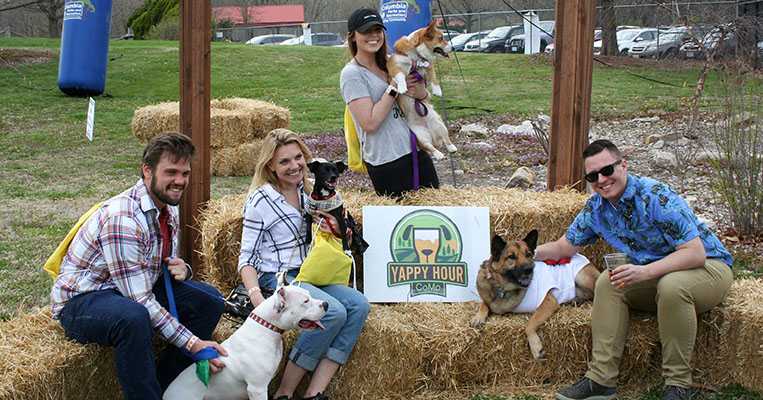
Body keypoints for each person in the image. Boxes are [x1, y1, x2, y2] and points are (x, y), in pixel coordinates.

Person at [535, 139, 733, 400]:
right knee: (608, 281)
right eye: (593, 176)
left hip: (709, 267)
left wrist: (646, 272)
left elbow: (694, 254)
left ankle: (677, 385)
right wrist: (523, 256)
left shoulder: (656, 196)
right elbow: (564, 247)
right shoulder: (597, 208)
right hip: (661, 274)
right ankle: (601, 380)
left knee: (672, 287)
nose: (602, 180)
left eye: (607, 170)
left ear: (623, 165)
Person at [50, 132, 227, 400]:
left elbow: (159, 266)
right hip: (85, 299)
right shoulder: (124, 219)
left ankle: (166, 387)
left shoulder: (167, 203)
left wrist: (185, 270)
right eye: (171, 172)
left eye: (185, 173)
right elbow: (140, 300)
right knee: (132, 318)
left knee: (211, 301)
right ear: (147, 170)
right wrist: (193, 344)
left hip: (128, 289)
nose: (180, 181)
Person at [238, 128, 370, 400]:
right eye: (284, 161)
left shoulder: (313, 190)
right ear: (270, 166)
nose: (294, 166)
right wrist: (257, 298)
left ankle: (314, 393)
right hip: (281, 277)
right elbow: (247, 259)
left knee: (358, 305)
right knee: (332, 311)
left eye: (298, 157)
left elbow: (338, 235)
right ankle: (284, 394)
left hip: (313, 272)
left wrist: (337, 226)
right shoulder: (260, 200)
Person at [340, 7, 440, 198]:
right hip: (388, 161)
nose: (374, 36)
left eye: (378, 30)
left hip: (416, 151)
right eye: (366, 31)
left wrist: (418, 89)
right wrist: (394, 85)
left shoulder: (391, 62)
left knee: (433, 215)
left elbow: (425, 99)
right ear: (353, 36)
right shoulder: (352, 74)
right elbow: (369, 123)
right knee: (402, 225)